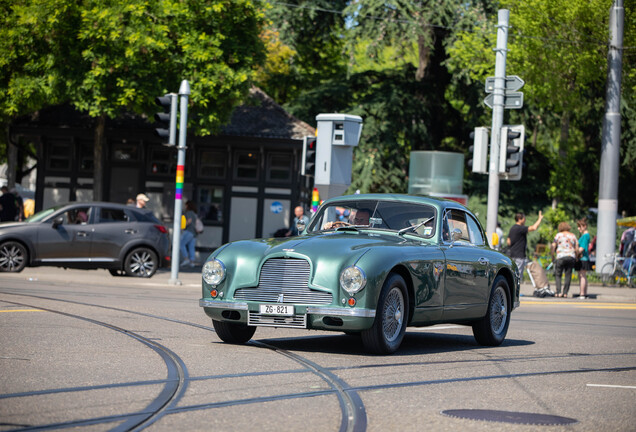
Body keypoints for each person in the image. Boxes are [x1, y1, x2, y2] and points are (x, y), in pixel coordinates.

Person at [506, 211, 543, 281]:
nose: (525, 220)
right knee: (518, 276)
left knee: (512, 275)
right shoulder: (520, 228)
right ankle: (516, 291)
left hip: (512, 254)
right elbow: (534, 228)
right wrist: (540, 219)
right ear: (520, 219)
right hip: (519, 255)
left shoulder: (512, 228)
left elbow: (508, 241)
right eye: (524, 219)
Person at [551, 222, 579, 298]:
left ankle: (558, 292)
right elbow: (576, 248)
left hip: (560, 256)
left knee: (558, 274)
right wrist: (576, 256)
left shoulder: (558, 235)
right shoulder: (573, 236)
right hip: (571, 257)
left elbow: (553, 246)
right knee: (568, 275)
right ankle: (565, 293)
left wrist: (552, 255)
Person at [180, 200, 198, 267]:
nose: (185, 206)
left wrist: (183, 226)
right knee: (191, 247)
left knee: (181, 244)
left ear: (188, 205)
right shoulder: (194, 213)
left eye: (186, 205)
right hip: (194, 233)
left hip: (189, 231)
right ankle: (192, 262)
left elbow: (189, 221)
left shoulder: (189, 212)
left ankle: (186, 258)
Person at [576, 218, 591, 299]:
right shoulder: (586, 235)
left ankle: (582, 294)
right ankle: (584, 293)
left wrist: (575, 253)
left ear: (584, 226)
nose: (578, 229)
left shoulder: (585, 236)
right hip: (584, 258)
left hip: (583, 258)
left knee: (582, 276)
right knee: (583, 276)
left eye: (579, 227)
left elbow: (582, 248)